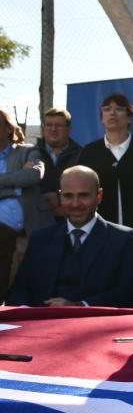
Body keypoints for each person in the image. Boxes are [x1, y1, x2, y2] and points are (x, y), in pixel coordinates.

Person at [6, 166, 133, 307]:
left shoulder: (122, 239)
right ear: (60, 196)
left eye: (83, 195)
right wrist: (27, 311)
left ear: (99, 196)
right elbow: (19, 289)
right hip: (42, 323)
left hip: (94, 324)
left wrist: (79, 306)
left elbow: (129, 294)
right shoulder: (40, 238)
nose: (75, 204)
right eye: (68, 196)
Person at [78, 93, 133, 264]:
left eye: (119, 109)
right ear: (101, 118)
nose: (112, 113)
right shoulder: (89, 153)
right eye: (107, 109)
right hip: (100, 240)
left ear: (129, 117)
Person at [0, 110, 50, 292]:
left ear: (7, 128)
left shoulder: (28, 150)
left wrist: (3, 181)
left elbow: (34, 175)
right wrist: (16, 183)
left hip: (31, 221)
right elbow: (23, 178)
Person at [35, 107, 83, 222]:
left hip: (72, 219)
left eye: (59, 125)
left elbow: (86, 186)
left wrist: (58, 197)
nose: (53, 129)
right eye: (49, 125)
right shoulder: (31, 153)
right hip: (37, 218)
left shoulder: (83, 154)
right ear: (43, 128)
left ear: (69, 129)